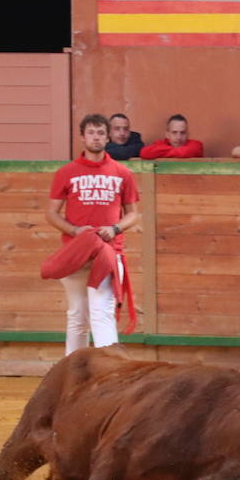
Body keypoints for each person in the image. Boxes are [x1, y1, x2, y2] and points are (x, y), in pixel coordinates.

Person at [45, 114, 141, 356]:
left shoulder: (122, 173)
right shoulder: (66, 172)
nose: (96, 138)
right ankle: (72, 372)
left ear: (107, 137)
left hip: (108, 250)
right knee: (77, 314)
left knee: (101, 313)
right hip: (76, 251)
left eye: (100, 133)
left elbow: (133, 214)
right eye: (91, 133)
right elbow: (51, 214)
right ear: (82, 137)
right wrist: (75, 231)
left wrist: (116, 228)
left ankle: (106, 373)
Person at [139, 114, 205, 159]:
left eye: (183, 133)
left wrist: (162, 153)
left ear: (188, 134)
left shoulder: (196, 145)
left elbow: (192, 151)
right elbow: (144, 152)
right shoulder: (160, 144)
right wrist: (178, 152)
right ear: (167, 134)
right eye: (174, 132)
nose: (179, 137)